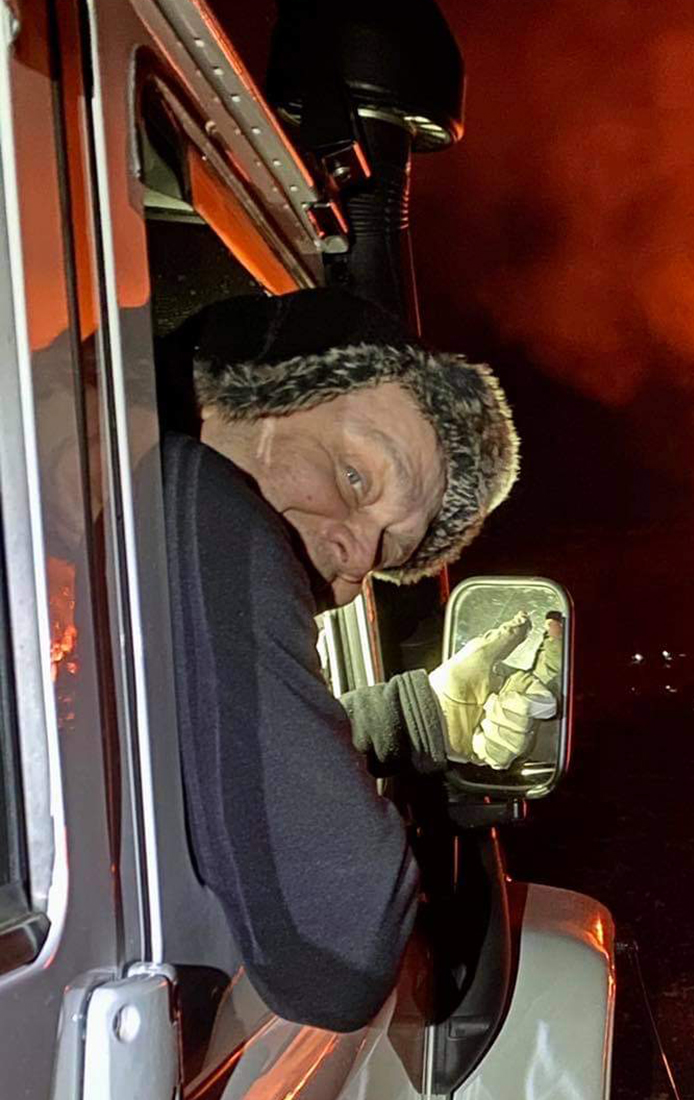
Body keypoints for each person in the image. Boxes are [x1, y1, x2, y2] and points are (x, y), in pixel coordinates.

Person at [160, 288, 530, 1030]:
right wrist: (233, 528)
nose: (361, 557)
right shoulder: (202, 503)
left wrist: (419, 714)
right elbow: (340, 954)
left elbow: (199, 748)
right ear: (236, 401)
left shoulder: (113, 592)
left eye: (391, 550)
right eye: (357, 478)